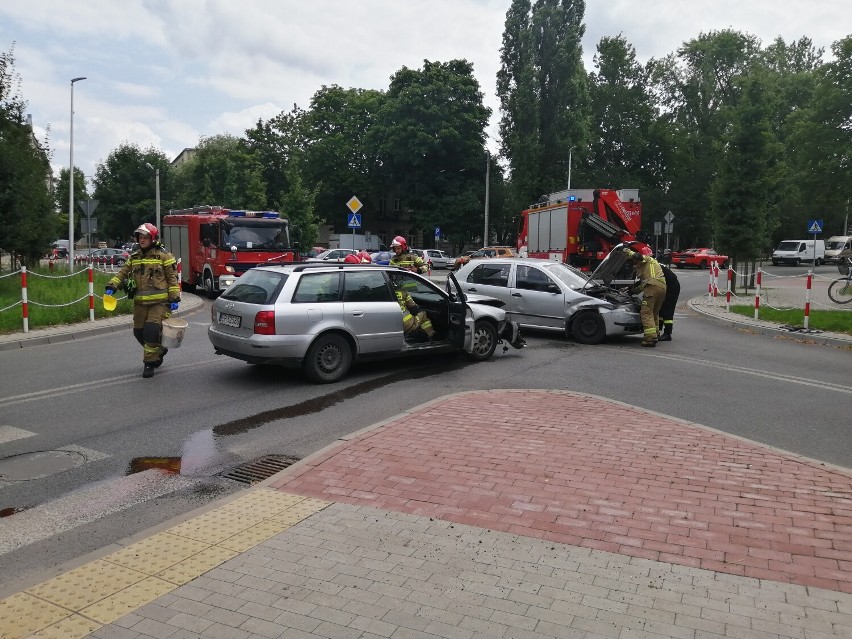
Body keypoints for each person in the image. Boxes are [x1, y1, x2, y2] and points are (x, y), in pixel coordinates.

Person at [105, 223, 180, 378]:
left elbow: (172, 280)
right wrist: (112, 286)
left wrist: (174, 298)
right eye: (140, 237)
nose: (142, 240)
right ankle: (159, 350)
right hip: (140, 303)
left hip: (160, 303)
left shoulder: (164, 256)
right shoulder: (134, 257)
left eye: (146, 237)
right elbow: (122, 274)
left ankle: (149, 363)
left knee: (151, 331)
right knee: (138, 332)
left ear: (153, 238)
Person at [623, 244, 666, 347]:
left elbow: (638, 257)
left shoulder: (646, 259)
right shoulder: (652, 265)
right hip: (662, 287)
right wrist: (633, 291)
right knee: (654, 312)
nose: (634, 264)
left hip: (653, 287)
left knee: (646, 312)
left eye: (633, 262)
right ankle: (656, 333)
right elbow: (644, 284)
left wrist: (627, 251)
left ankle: (650, 338)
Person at [389, 272, 436, 341]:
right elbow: (414, 309)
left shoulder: (377, 294)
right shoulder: (402, 292)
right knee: (422, 314)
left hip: (389, 325)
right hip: (406, 325)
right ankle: (431, 335)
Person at [658, 263, 680, 341]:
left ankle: (667, 334)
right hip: (667, 285)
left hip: (672, 287)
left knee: (667, 310)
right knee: (660, 309)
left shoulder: (652, 266)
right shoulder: (655, 264)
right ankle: (658, 331)